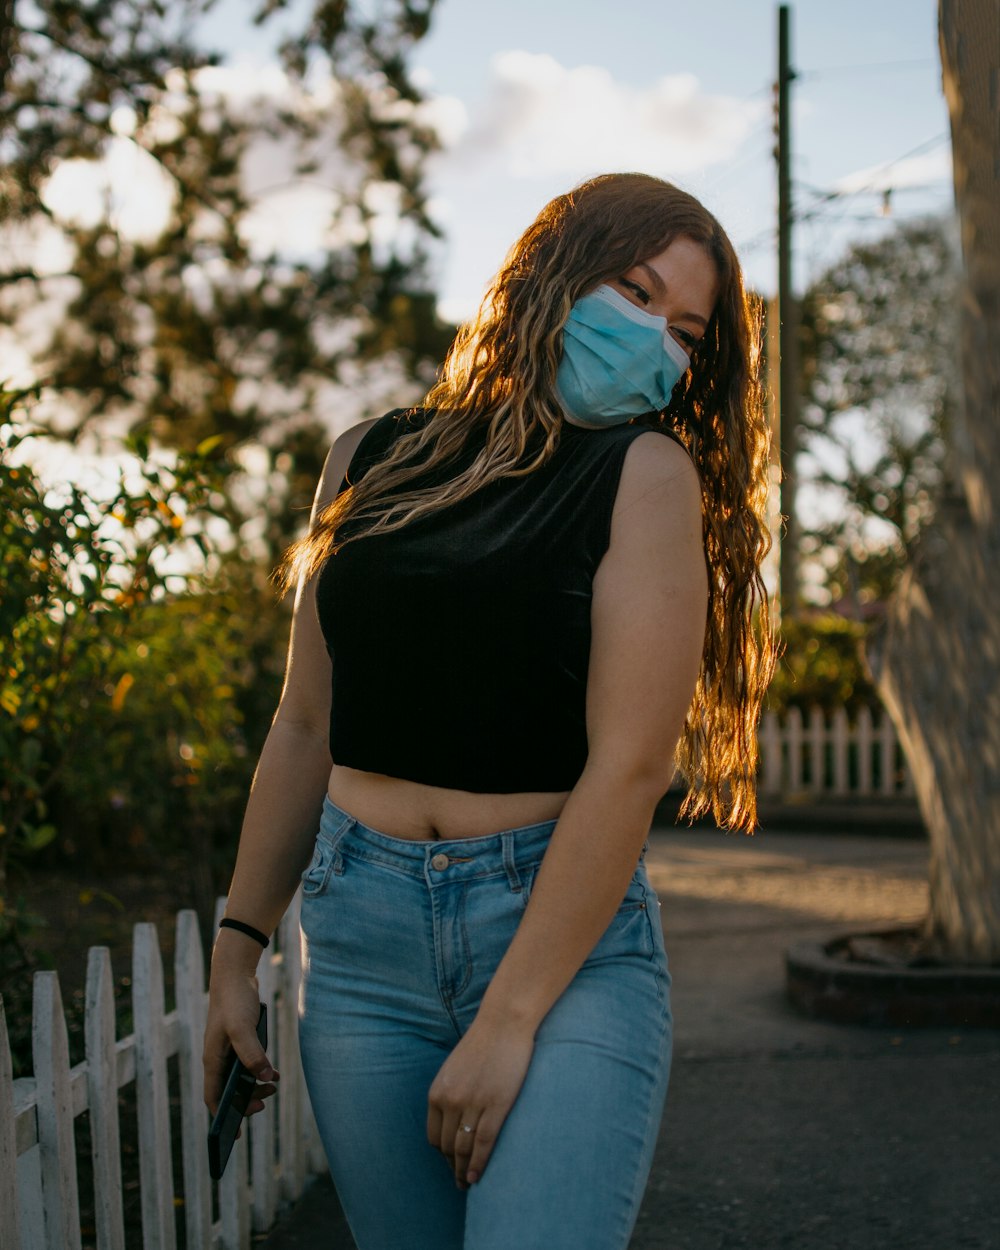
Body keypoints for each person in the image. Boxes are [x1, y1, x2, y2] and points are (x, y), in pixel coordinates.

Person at [203, 171, 775, 1250]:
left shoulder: (642, 474)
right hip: (362, 942)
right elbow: (303, 727)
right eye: (636, 291)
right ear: (550, 276)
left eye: (685, 329)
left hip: (556, 947)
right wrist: (239, 949)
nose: (656, 337)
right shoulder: (369, 456)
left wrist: (510, 1016)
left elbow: (627, 768)